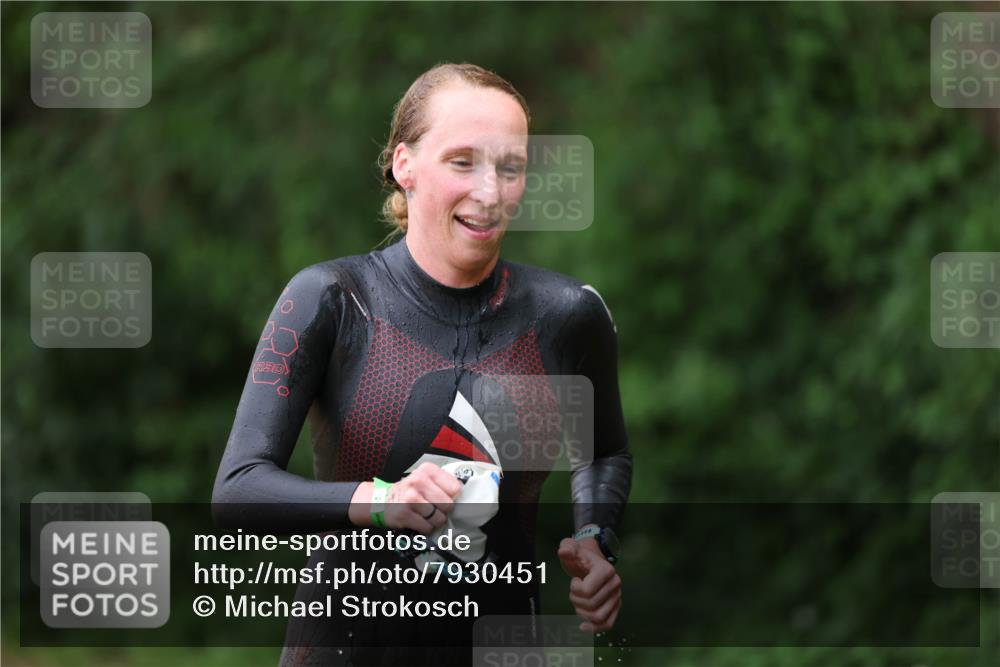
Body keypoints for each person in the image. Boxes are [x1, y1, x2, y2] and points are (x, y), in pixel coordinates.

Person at [213, 62, 632, 666]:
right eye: (463, 162)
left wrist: (595, 538)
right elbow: (237, 490)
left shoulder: (567, 314)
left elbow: (604, 451)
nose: (489, 192)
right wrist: (379, 500)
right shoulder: (332, 298)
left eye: (509, 168)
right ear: (403, 165)